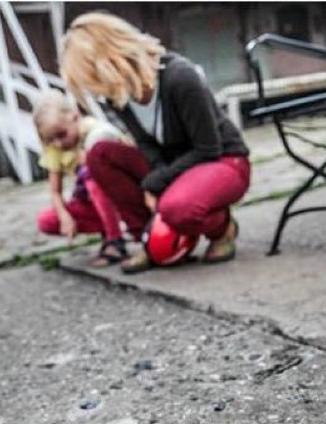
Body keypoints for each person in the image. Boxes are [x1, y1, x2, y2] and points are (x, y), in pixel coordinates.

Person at [60, 12, 251, 273]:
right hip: (176, 166)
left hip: (223, 161)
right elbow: (146, 145)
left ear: (108, 60)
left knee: (177, 208)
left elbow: (208, 149)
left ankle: (222, 228)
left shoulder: (179, 77)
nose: (94, 90)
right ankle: (148, 240)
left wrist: (156, 182)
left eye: (92, 78)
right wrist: (158, 178)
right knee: (100, 155)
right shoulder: (119, 95)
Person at [32, 89, 131, 267]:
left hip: (119, 194)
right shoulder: (55, 150)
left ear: (76, 118)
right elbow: (55, 191)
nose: (58, 144)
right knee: (46, 220)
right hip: (91, 201)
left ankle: (115, 241)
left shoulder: (94, 132)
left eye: (62, 135)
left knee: (91, 179)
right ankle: (108, 230)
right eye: (50, 140)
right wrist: (64, 217)